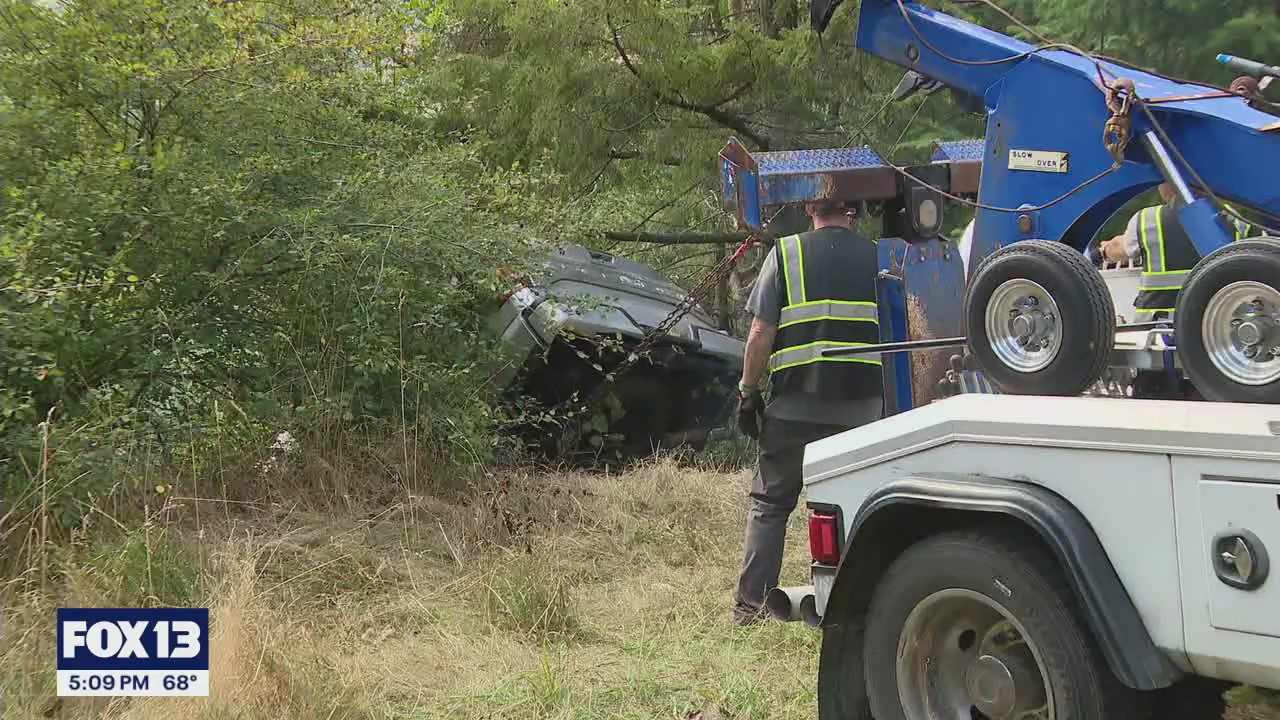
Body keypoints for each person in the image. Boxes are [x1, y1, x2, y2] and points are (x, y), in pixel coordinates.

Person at [731, 199, 885, 626]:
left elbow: (762, 331)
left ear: (810, 205)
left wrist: (747, 391)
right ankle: (859, 609)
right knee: (860, 508)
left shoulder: (786, 253)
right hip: (863, 410)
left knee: (771, 504)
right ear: (852, 211)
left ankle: (752, 607)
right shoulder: (880, 257)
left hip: (795, 406)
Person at [1097, 182, 1254, 321]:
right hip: (1217, 324)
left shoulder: (1147, 219)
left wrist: (1103, 251)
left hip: (1157, 326)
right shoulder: (1235, 218)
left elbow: (1121, 247)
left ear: (1168, 183)